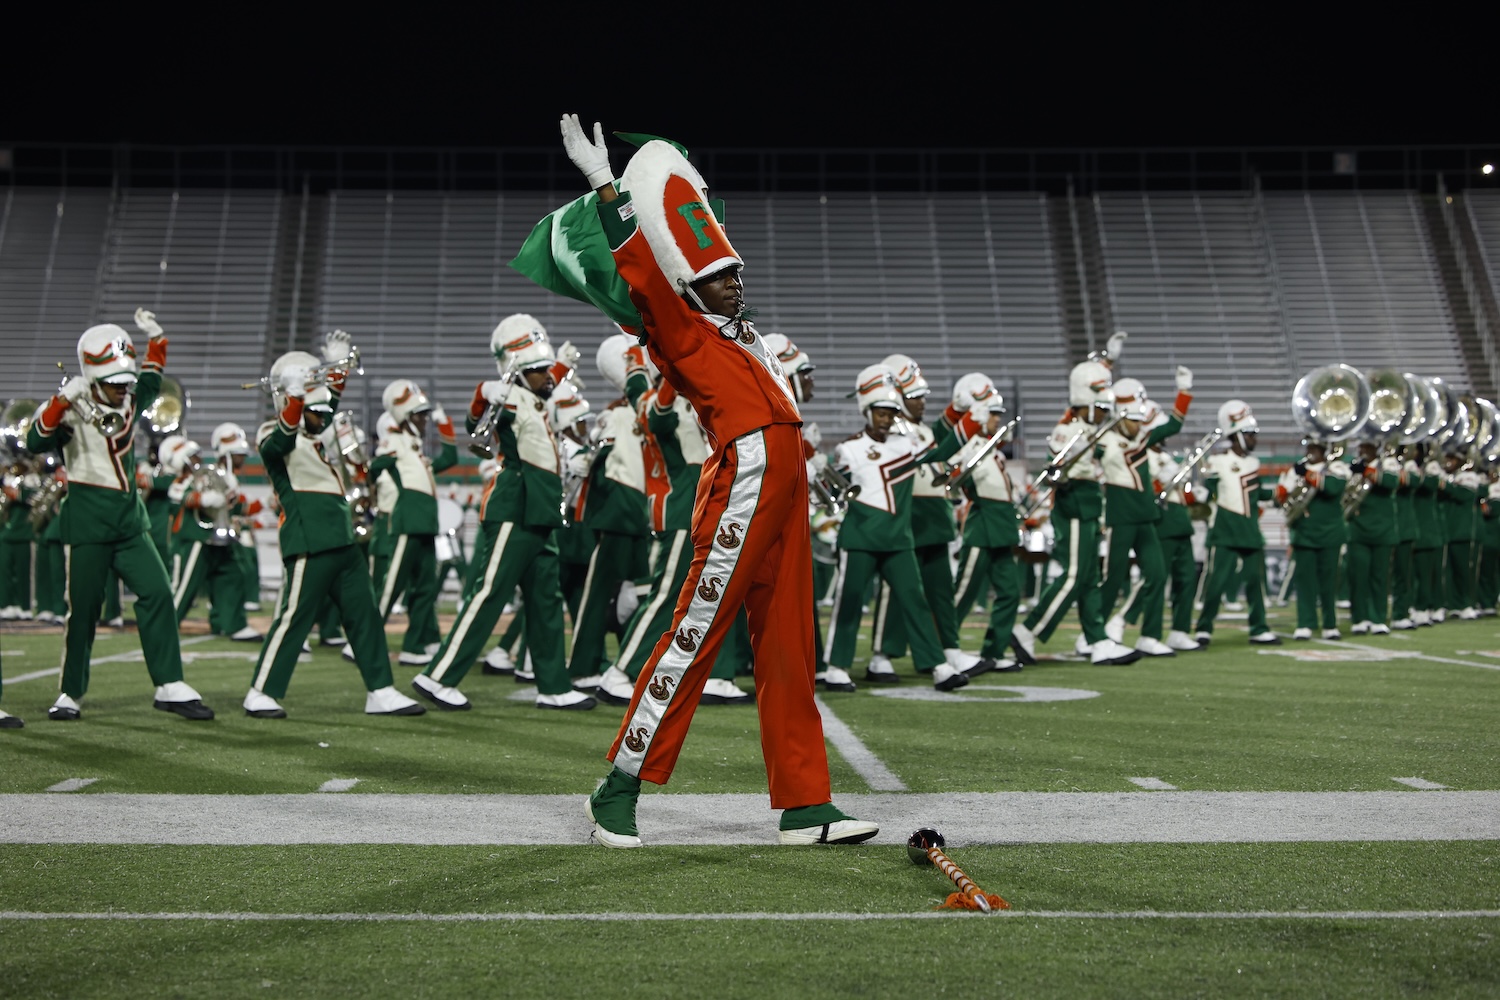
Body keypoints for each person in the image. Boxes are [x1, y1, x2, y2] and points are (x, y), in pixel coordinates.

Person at [561, 113, 876, 847]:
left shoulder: (744, 335)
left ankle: (805, 805)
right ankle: (617, 788)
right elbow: (645, 274)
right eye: (718, 277)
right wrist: (606, 185)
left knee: (790, 646)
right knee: (696, 632)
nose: (735, 283)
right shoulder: (678, 330)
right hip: (745, 479)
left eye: (735, 273)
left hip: (786, 481)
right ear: (689, 288)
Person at [25, 310, 214, 721]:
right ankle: (70, 691)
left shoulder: (130, 397)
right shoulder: (69, 409)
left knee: (157, 592)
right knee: (84, 611)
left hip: (129, 523)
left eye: (125, 381)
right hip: (88, 524)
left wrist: (157, 339)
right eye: (114, 382)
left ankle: (169, 683)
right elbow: (34, 441)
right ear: (93, 379)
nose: (123, 389)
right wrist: (61, 401)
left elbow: (153, 376)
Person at [416, 315, 595, 711]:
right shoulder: (507, 397)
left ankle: (553, 686)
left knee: (545, 602)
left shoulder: (535, 396)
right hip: (515, 506)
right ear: (520, 372)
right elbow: (474, 422)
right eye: (538, 369)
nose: (547, 375)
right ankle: (438, 676)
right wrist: (483, 392)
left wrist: (559, 365)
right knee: (490, 592)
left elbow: (544, 384)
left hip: (541, 512)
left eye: (547, 368)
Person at [244, 344, 426, 719]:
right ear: (293, 404)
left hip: (342, 539)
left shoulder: (315, 432)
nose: (323, 416)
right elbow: (280, 442)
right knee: (294, 619)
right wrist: (296, 397)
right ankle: (261, 691)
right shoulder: (271, 432)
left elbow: (324, 406)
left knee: (366, 617)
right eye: (315, 410)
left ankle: (381, 690)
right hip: (309, 540)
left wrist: (335, 372)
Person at [823, 365, 996, 691]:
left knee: (915, 602)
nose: (886, 420)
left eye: (891, 413)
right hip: (859, 539)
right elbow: (832, 488)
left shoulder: (905, 445)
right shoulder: (848, 449)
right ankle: (836, 667)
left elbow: (941, 450)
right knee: (849, 603)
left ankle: (938, 666)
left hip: (898, 540)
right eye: (881, 413)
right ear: (867, 411)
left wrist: (971, 421)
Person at [1012, 361, 1142, 666]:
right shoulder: (1066, 430)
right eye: (1100, 407)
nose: (1104, 413)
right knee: (1073, 576)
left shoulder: (1094, 430)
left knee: (1089, 578)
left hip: (1089, 504)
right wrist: (1066, 464)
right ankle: (1027, 630)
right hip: (1074, 504)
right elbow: (1055, 471)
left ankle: (1097, 639)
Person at [1095, 370, 1194, 656]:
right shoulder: (1103, 440)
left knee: (1157, 575)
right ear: (1119, 416)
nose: (1139, 425)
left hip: (1146, 516)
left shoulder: (1142, 438)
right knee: (1113, 578)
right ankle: (1094, 632)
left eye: (1141, 420)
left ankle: (1149, 636)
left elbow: (1173, 425)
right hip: (1120, 517)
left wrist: (1184, 391)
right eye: (1134, 419)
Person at [364, 377, 458, 667]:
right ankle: (363, 641)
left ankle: (414, 646)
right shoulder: (395, 441)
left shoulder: (414, 449)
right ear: (405, 417)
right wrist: (372, 483)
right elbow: (375, 466)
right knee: (390, 587)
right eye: (419, 415)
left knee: (425, 590)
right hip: (406, 522)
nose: (424, 420)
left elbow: (450, 458)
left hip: (426, 524)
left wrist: (445, 424)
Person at [1193, 401, 1282, 646]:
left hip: (1250, 530)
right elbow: (1208, 492)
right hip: (1225, 530)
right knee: (1216, 583)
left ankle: (1259, 628)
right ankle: (1204, 628)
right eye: (1249, 434)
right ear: (1236, 435)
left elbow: (1256, 493)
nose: (1254, 439)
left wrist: (1279, 493)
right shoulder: (1218, 461)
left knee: (1256, 583)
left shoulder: (1253, 463)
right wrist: (1201, 491)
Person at [1277, 439, 1348, 640]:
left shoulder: (1336, 467)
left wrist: (1307, 475)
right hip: (1304, 532)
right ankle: (1305, 623)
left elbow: (1333, 487)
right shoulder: (1296, 470)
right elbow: (1283, 497)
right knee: (1305, 582)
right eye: (1309, 448)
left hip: (1330, 533)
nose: (1311, 452)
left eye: (1316, 448)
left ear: (1324, 450)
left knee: (1328, 582)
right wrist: (1286, 487)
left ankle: (1330, 624)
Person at [1344, 440, 1400, 634]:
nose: (1363, 451)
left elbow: (1392, 482)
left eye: (1367, 447)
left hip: (1382, 529)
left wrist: (1367, 471)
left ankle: (1378, 618)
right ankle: (1359, 619)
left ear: (1377, 448)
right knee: (1358, 577)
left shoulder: (1388, 463)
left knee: (1380, 577)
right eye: (1361, 447)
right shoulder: (1354, 467)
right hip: (1358, 529)